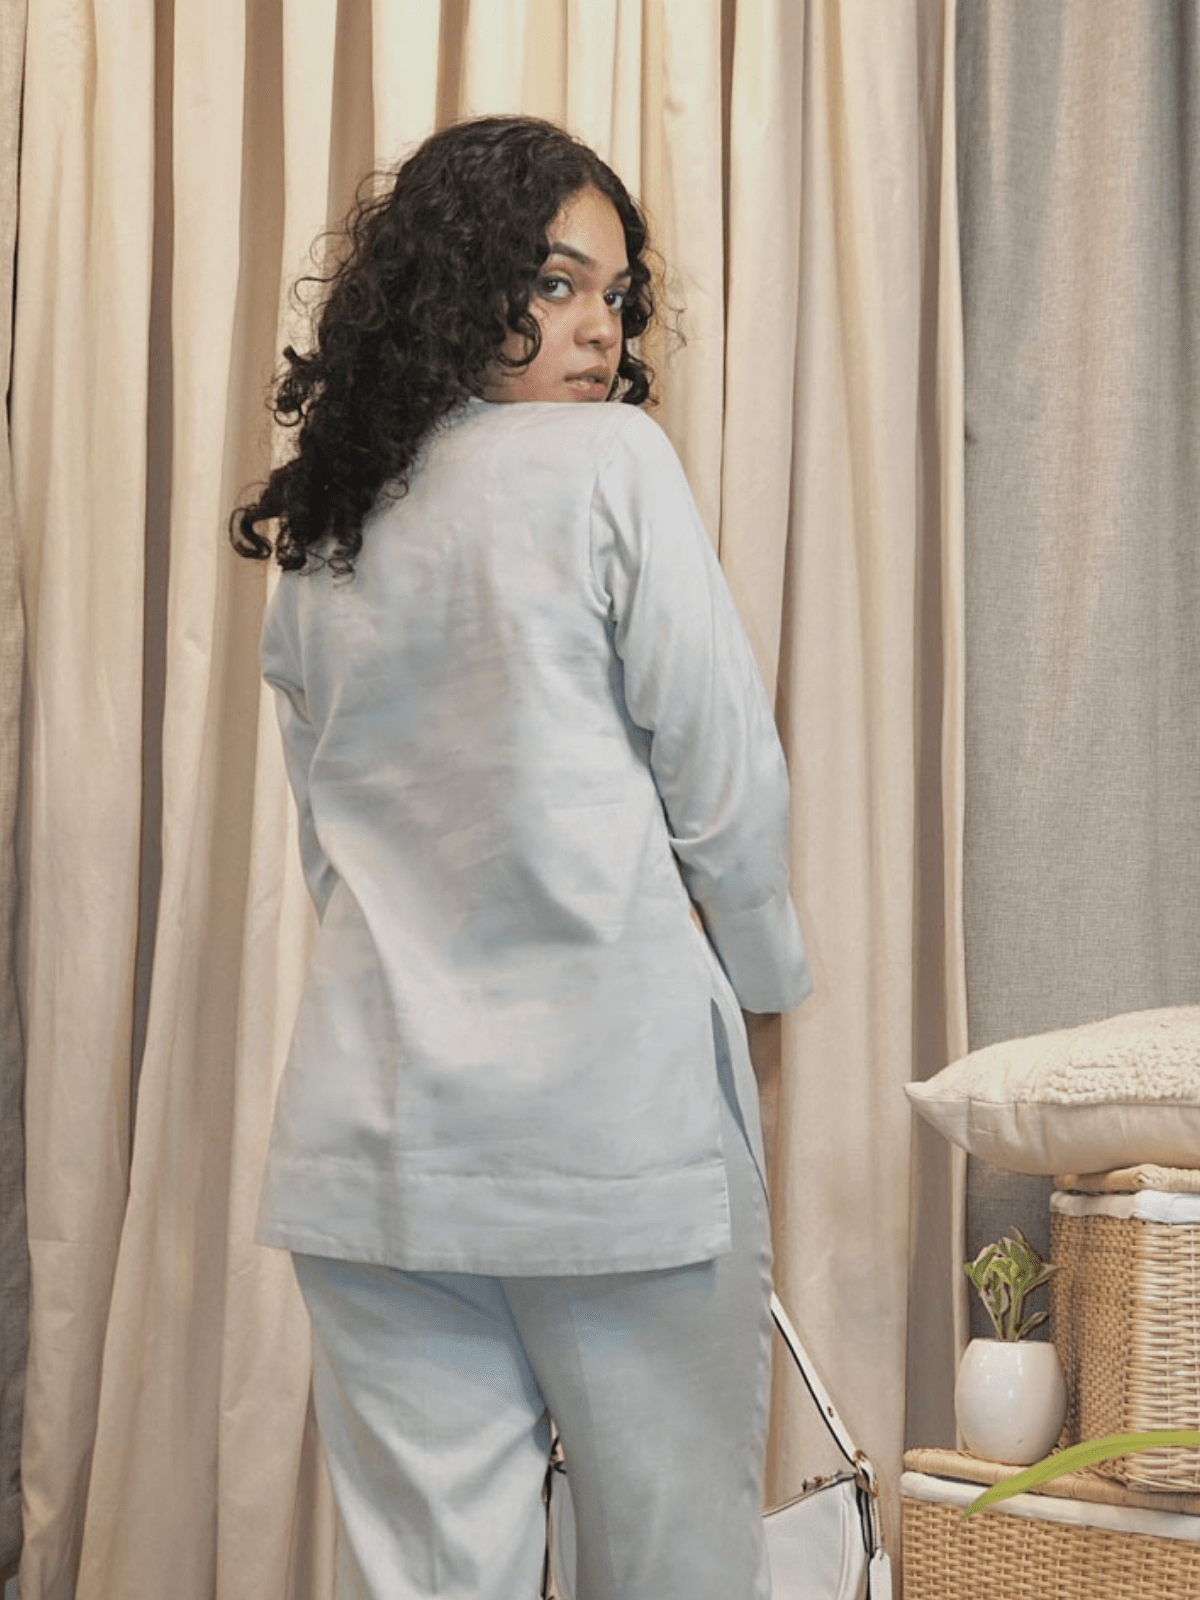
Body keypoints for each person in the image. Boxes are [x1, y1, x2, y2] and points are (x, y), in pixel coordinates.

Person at [232, 115, 811, 1600]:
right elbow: (726, 783)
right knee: (674, 1571)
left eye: (616, 297)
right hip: (618, 1144)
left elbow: (332, 855)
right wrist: (762, 988)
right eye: (556, 285)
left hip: (376, 1148)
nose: (600, 330)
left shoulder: (325, 534)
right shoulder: (613, 465)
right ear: (455, 284)